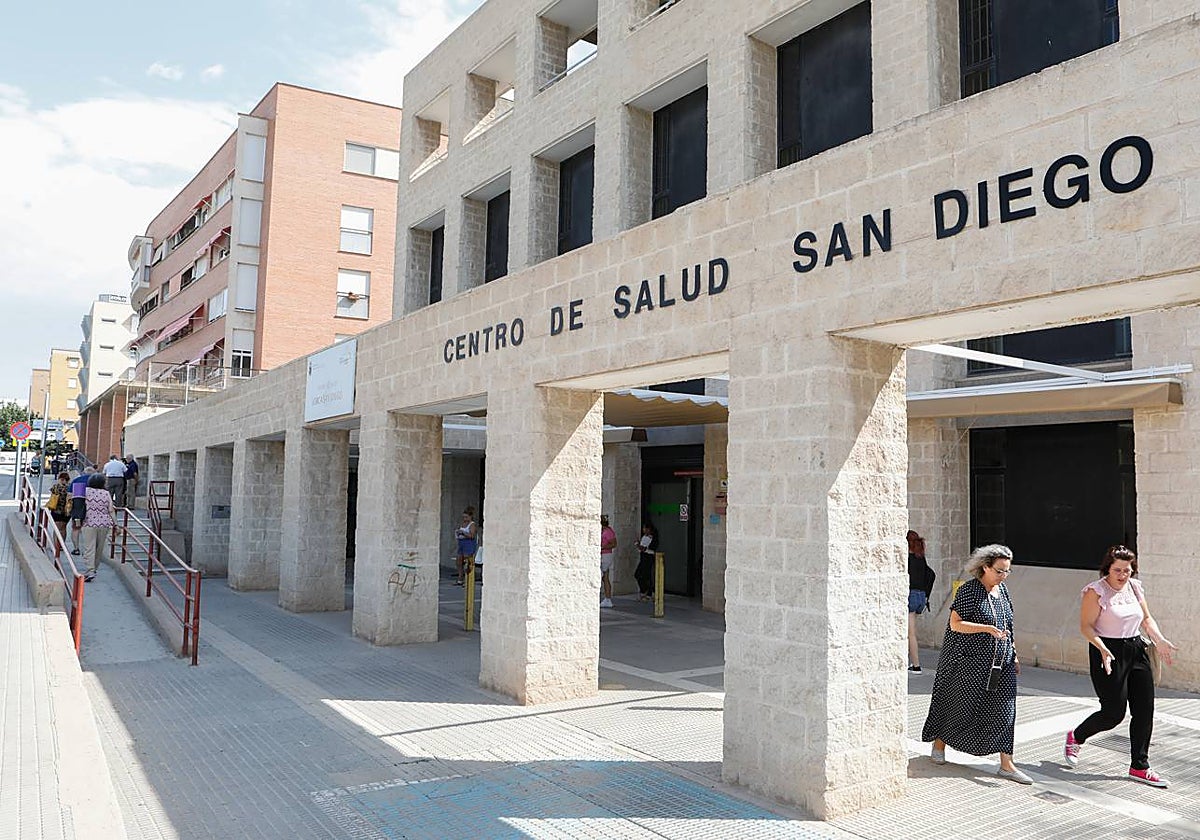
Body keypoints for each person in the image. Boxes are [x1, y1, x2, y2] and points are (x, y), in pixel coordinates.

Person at [1064, 545, 1179, 788]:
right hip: (1106, 652)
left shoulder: (1135, 587)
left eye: (1127, 570)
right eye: (1117, 570)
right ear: (1108, 568)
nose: (1122, 575)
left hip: (1136, 650)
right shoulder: (1095, 591)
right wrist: (1102, 648)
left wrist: (1160, 640)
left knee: (1144, 710)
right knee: (1113, 713)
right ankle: (1077, 736)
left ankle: (1140, 766)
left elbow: (1146, 619)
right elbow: (1086, 626)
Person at [922, 544, 1031, 784]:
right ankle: (940, 742)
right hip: (969, 663)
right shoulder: (969, 591)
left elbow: (1008, 626)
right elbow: (956, 624)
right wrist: (986, 629)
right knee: (960, 706)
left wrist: (1014, 654)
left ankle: (1007, 764)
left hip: (1001, 664)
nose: (1004, 576)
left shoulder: (1003, 591)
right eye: (999, 571)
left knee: (1006, 712)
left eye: (1007, 571)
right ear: (985, 567)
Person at [80, 473, 116, 583]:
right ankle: (94, 569)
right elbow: (111, 510)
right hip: (104, 523)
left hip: (88, 522)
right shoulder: (106, 493)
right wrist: (115, 524)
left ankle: (90, 570)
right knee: (99, 548)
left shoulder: (85, 491)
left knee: (89, 547)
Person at [907, 530, 934, 672]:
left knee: (911, 633)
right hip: (921, 597)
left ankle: (916, 665)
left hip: (911, 595)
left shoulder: (908, 559)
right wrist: (926, 595)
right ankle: (912, 662)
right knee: (910, 631)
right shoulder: (920, 558)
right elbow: (931, 574)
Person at [68, 467, 92, 554]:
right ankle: (89, 550)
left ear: (83, 472)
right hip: (91, 509)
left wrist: (69, 508)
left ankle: (76, 548)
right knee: (90, 530)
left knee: (76, 528)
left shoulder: (76, 480)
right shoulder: (95, 481)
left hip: (77, 509)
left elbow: (69, 495)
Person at [454, 507, 478, 586]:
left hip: (468, 544)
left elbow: (472, 535)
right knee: (459, 561)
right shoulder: (463, 524)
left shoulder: (472, 524)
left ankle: (468, 579)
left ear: (470, 517)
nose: (465, 519)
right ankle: (460, 577)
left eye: (466, 517)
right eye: (464, 517)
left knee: (468, 562)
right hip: (461, 543)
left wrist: (463, 533)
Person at [634, 522, 658, 602]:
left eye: (645, 528)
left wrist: (637, 545)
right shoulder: (644, 537)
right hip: (643, 557)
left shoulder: (651, 538)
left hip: (648, 557)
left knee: (647, 575)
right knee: (638, 574)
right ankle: (644, 590)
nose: (643, 530)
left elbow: (645, 548)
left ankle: (649, 593)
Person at [45, 471, 72, 540]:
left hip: (56, 510)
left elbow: (52, 497)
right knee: (63, 528)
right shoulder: (70, 487)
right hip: (67, 511)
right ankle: (62, 544)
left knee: (57, 529)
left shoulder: (55, 487)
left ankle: (56, 544)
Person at [599, 515, 617, 609]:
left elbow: (614, 544)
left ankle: (607, 598)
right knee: (605, 578)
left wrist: (602, 547)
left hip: (606, 555)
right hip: (604, 555)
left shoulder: (608, 532)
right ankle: (607, 598)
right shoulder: (603, 531)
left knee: (602, 575)